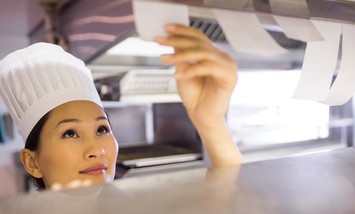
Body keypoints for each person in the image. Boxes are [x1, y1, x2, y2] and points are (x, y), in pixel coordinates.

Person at [0, 24, 243, 191]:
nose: (96, 149)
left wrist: (209, 121)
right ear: (32, 163)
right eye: (70, 133)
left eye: (102, 129)